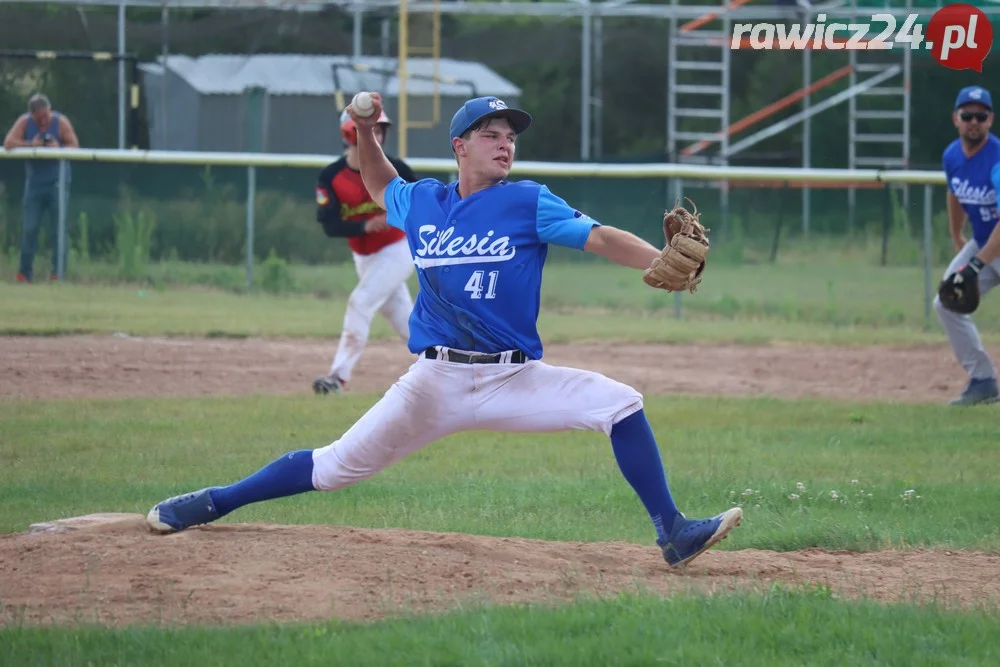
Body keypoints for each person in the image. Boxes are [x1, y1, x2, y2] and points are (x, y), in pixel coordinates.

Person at [146, 93, 742, 569]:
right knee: (331, 469)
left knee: (621, 405)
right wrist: (365, 133)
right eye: (491, 134)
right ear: (460, 146)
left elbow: (601, 236)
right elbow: (378, 183)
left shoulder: (528, 202)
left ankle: (674, 534)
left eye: (510, 136)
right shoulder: (424, 202)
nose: (504, 143)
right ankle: (209, 503)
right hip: (434, 380)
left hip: (515, 377)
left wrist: (654, 257)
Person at [311, 106, 418, 395]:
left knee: (360, 302)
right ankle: (440, 360)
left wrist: (394, 217)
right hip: (364, 255)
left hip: (399, 248)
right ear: (351, 132)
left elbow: (418, 206)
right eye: (371, 128)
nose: (378, 134)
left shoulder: (396, 169)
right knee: (402, 316)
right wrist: (364, 226)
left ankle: (337, 377)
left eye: (380, 129)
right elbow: (330, 225)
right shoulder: (332, 177)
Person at [935, 86, 1000, 406]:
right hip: (985, 243)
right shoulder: (952, 156)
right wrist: (957, 234)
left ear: (991, 120)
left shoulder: (998, 158)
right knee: (947, 301)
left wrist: (975, 265)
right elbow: (954, 192)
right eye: (967, 115)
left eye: (981, 115)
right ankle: (983, 379)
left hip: (992, 246)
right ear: (955, 119)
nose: (973, 121)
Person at [2, 93, 80, 283]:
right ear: (32, 116)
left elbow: (75, 146)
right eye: (39, 119)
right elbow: (8, 143)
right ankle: (24, 273)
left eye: (46, 117)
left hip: (57, 183)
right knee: (29, 228)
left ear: (50, 111)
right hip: (34, 185)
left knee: (58, 229)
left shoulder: (60, 122)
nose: (43, 122)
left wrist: (57, 149)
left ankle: (58, 273)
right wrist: (31, 145)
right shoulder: (24, 122)